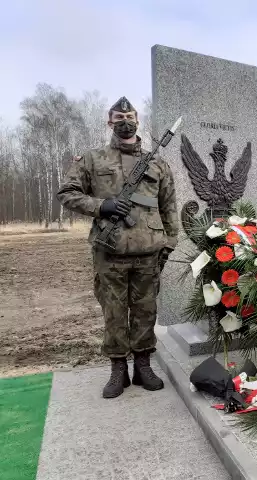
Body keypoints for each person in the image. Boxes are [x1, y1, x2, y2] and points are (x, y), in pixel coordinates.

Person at [57, 97, 179, 399]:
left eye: (130, 115)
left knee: (145, 312)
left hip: (149, 252)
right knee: (113, 313)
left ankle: (143, 366)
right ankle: (117, 370)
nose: (125, 119)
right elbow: (67, 193)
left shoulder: (158, 163)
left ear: (137, 120)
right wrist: (102, 205)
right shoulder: (92, 159)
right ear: (110, 121)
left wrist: (170, 243)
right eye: (119, 115)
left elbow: (169, 206)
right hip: (109, 252)